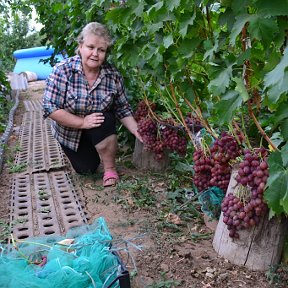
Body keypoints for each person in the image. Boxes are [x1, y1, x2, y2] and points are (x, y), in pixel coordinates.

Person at [43, 22, 142, 187]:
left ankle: (110, 168)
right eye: (90, 47)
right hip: (69, 133)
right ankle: (90, 152)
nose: (95, 54)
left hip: (98, 125)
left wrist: (137, 131)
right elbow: (50, 108)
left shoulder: (113, 76)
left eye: (101, 50)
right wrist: (82, 122)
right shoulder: (62, 71)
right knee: (86, 168)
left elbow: (122, 109)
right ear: (80, 46)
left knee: (106, 119)